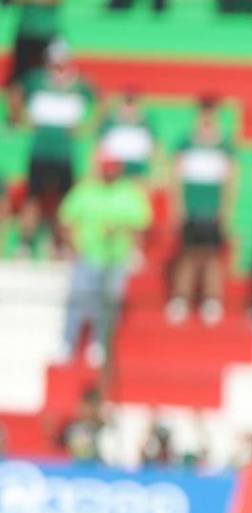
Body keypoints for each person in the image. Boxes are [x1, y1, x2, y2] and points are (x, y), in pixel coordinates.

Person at [56, 152, 152, 368]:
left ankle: (99, 343)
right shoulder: (85, 190)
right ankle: (67, 342)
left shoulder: (129, 193)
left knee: (109, 303)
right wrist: (72, 246)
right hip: (88, 255)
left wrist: (124, 236)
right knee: (78, 298)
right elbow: (66, 219)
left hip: (116, 257)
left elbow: (141, 224)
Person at [16, 39, 94, 257]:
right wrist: (21, 118)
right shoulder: (36, 80)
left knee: (65, 201)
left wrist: (86, 127)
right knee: (33, 198)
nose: (58, 65)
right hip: (40, 152)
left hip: (64, 154)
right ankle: (25, 244)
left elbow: (101, 102)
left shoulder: (78, 84)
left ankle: (61, 244)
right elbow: (16, 93)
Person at [167, 96, 236, 326]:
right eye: (204, 112)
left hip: (213, 210)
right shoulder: (185, 143)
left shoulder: (225, 146)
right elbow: (176, 179)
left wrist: (225, 211)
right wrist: (178, 208)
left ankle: (211, 299)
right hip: (191, 210)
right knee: (188, 255)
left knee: (212, 257)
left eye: (211, 113)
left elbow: (230, 181)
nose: (207, 117)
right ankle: (181, 298)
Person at [98, 91, 159, 181]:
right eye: (126, 106)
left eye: (132, 107)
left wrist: (152, 173)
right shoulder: (110, 124)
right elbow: (100, 149)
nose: (129, 111)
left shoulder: (145, 126)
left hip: (137, 170)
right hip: (114, 169)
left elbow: (153, 150)